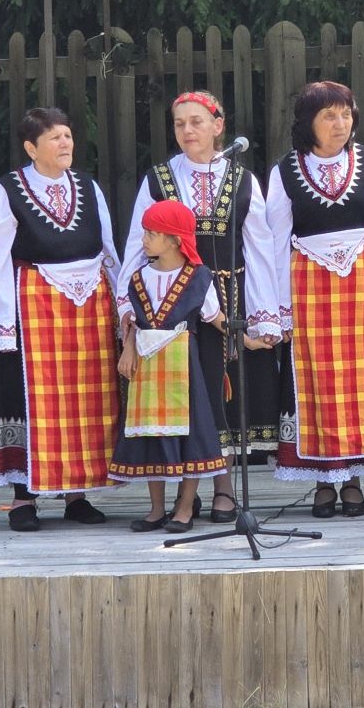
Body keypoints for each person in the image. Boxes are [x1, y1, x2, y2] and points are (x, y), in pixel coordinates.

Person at [119, 90, 283, 524]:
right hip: (173, 304)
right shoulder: (158, 179)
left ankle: (224, 488)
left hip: (228, 298)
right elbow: (138, 243)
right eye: (179, 123)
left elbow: (259, 248)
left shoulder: (243, 179)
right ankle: (179, 495)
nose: (187, 130)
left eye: (196, 121)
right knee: (185, 396)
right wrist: (129, 308)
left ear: (218, 126)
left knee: (221, 394)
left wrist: (265, 314)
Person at [265, 80, 364, 517]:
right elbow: (275, 242)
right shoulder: (285, 171)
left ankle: (353, 479)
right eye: (329, 116)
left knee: (361, 382)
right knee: (317, 381)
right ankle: (323, 480)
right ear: (308, 122)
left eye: (346, 114)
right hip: (308, 289)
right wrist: (278, 310)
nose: (340, 124)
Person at [0, 107, 121, 532]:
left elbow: (108, 249)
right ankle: (24, 498)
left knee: (85, 400)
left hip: (90, 308)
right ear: (31, 147)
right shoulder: (9, 190)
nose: (65, 143)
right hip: (33, 307)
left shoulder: (88, 187)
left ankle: (78, 493)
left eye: (67, 136)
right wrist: (2, 324)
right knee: (30, 400)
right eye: (55, 137)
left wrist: (123, 306)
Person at [109, 200, 230, 533]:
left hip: (183, 367)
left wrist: (246, 339)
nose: (144, 239)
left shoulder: (199, 277)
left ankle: (185, 508)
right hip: (147, 367)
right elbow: (134, 321)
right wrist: (128, 348)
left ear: (175, 240)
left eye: (152, 233)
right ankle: (156, 509)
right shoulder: (139, 278)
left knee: (189, 435)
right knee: (151, 432)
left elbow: (215, 317)